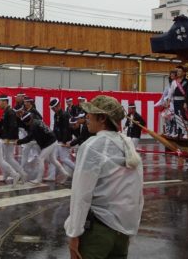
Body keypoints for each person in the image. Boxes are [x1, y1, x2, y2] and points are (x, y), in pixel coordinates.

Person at [64, 95, 143, 259]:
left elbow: (81, 194)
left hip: (97, 233)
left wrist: (74, 233)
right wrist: (130, 232)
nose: (87, 117)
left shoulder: (92, 146)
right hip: (122, 233)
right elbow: (136, 196)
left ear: (102, 118)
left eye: (90, 113)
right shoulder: (127, 145)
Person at [17, 112, 69, 184]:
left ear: (26, 122)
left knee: (40, 159)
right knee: (53, 160)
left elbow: (29, 138)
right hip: (53, 140)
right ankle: (65, 173)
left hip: (50, 143)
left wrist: (19, 142)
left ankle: (39, 179)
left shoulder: (33, 126)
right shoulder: (37, 121)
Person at [0, 95, 27, 182]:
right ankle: (6, 176)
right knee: (6, 158)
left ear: (5, 102)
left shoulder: (10, 112)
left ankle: (22, 173)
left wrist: (9, 138)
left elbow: (13, 126)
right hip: (7, 138)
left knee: (9, 158)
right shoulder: (6, 111)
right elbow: (4, 126)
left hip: (10, 138)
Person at [51, 98, 76, 175]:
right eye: (52, 108)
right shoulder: (56, 115)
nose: (53, 110)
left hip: (65, 140)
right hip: (58, 139)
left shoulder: (64, 115)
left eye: (53, 108)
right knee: (53, 158)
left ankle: (77, 169)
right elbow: (55, 128)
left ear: (58, 106)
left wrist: (64, 142)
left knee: (63, 158)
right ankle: (51, 176)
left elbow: (66, 129)